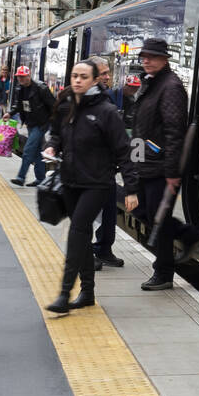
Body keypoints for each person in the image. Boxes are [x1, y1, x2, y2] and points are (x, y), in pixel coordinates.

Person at [41, 60, 139, 313]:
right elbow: (55, 134)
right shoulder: (65, 106)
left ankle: (64, 294)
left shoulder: (107, 112)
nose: (77, 80)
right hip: (71, 181)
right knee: (82, 236)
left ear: (95, 80)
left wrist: (131, 189)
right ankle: (87, 293)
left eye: (83, 76)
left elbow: (123, 152)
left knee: (77, 231)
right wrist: (51, 146)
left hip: (97, 184)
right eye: (74, 76)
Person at [131, 37, 199, 291]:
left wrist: (173, 172)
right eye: (144, 56)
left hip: (161, 166)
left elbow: (174, 132)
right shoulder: (150, 84)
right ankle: (187, 234)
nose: (146, 60)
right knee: (138, 209)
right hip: (144, 162)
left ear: (165, 59)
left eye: (152, 56)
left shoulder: (170, 87)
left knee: (157, 220)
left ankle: (163, 273)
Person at [88, 55, 123, 269]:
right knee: (88, 214)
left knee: (109, 211)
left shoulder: (106, 98)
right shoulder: (78, 98)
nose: (108, 77)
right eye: (104, 73)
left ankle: (104, 249)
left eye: (108, 73)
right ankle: (86, 253)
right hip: (88, 168)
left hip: (107, 167)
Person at [8, 64, 56, 186]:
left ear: (29, 76)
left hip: (41, 124)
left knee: (28, 150)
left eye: (23, 77)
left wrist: (51, 122)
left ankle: (21, 177)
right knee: (36, 152)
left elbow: (53, 105)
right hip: (30, 123)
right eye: (19, 77)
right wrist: (9, 113)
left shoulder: (41, 88)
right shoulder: (21, 89)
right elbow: (18, 105)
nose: (21, 79)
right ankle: (40, 179)